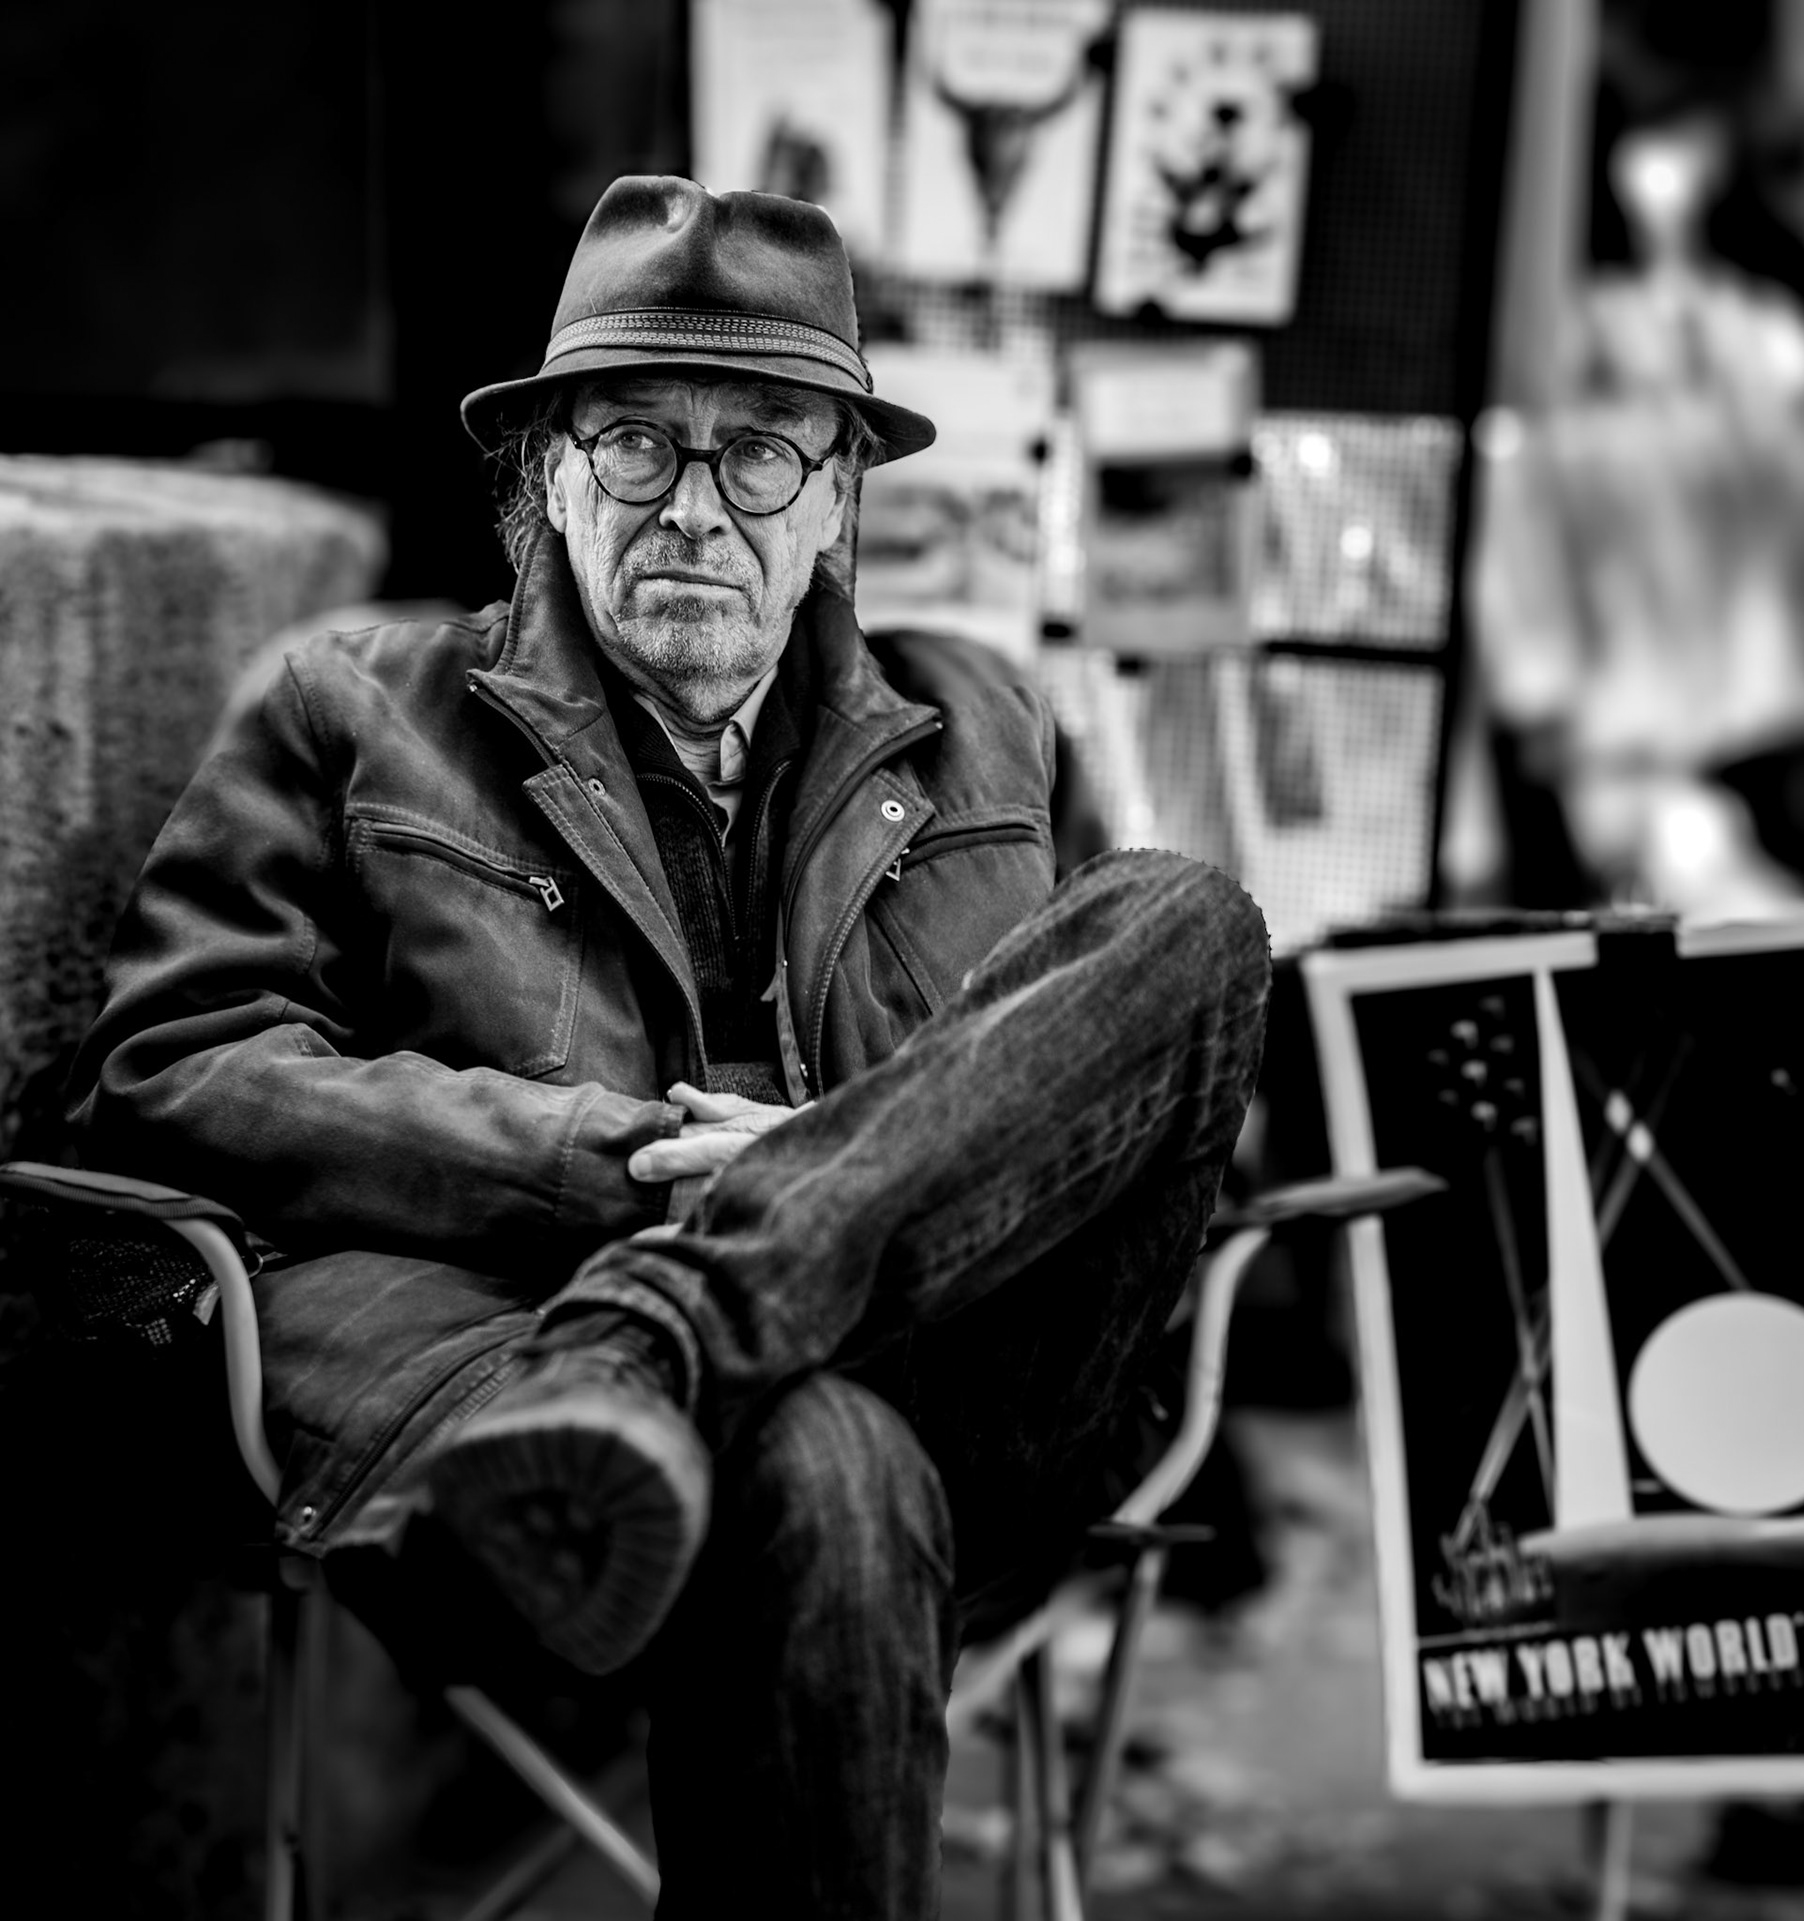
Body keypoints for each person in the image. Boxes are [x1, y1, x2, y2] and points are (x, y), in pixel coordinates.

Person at [69, 175, 1270, 1915]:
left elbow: (1114, 1093)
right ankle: (672, 1338)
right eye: (638, 443)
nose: (696, 508)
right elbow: (181, 1063)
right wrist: (598, 1155)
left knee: (1189, 919)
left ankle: (679, 1324)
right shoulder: (353, 703)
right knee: (825, 1457)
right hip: (525, 1397)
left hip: (954, 1371)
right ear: (552, 476)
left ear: (840, 502)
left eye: (762, 451)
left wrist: (806, 1186)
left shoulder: (994, 721)